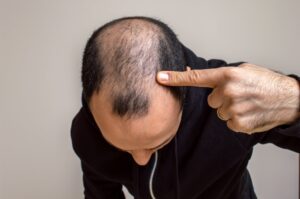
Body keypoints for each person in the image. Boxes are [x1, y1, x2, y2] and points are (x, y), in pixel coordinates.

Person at [71, 16, 300, 199]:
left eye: (158, 142)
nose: (140, 161)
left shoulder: (231, 98)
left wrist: (293, 100)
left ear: (184, 96)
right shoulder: (86, 130)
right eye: (122, 147)